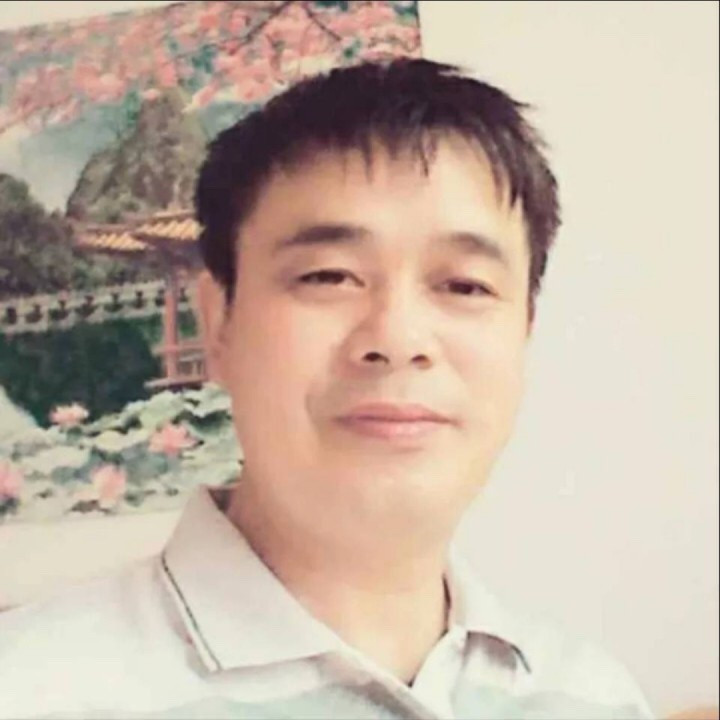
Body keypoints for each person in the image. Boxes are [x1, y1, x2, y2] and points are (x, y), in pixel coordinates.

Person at [0, 58, 653, 720]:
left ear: (524, 332)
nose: (398, 337)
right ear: (219, 321)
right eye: (329, 276)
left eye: (465, 285)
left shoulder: (597, 698)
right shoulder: (31, 689)